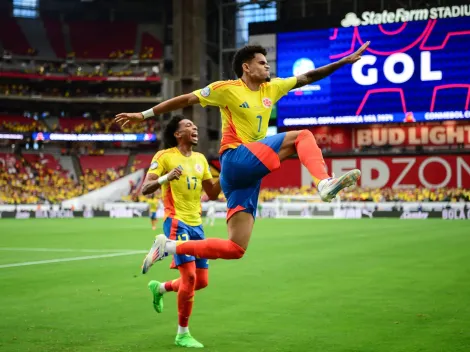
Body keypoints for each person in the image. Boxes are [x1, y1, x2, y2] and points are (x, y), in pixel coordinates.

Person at [115, 42, 369, 270]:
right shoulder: (226, 89)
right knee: (302, 136)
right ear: (246, 67)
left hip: (243, 176)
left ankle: (168, 247)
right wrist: (144, 115)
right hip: (235, 159)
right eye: (262, 62)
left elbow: (309, 76)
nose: (267, 66)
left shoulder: (273, 88)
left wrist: (343, 62)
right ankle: (323, 183)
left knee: (236, 248)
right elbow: (185, 99)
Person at [141, 115, 221, 348]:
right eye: (188, 126)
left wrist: (228, 174)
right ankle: (182, 333)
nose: (194, 128)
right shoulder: (164, 156)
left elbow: (213, 193)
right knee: (190, 277)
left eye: (195, 126)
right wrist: (167, 177)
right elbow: (146, 188)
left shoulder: (200, 159)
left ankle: (161, 287)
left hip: (197, 224)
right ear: (177, 134)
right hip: (176, 223)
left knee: (202, 281)